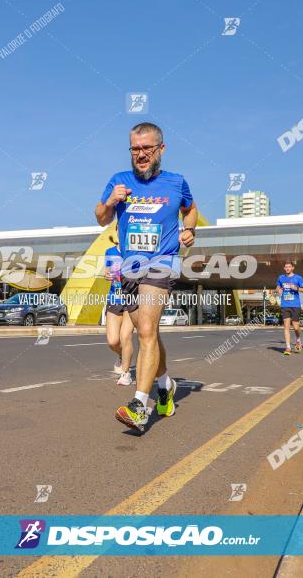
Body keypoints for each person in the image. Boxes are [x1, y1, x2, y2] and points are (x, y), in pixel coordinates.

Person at [95, 122, 199, 433]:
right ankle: (166, 384)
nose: (141, 154)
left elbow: (191, 210)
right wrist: (111, 201)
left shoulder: (176, 182)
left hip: (161, 264)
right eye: (135, 149)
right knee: (145, 331)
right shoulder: (119, 181)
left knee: (148, 331)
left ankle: (140, 404)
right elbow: (101, 218)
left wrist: (190, 229)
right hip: (130, 268)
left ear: (161, 149)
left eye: (147, 148)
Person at [103, 234, 135, 386]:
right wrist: (107, 275)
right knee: (112, 341)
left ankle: (126, 373)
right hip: (114, 298)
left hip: (131, 299)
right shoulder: (110, 252)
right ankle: (122, 356)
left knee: (125, 336)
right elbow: (107, 272)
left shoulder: (135, 251)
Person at [275, 261, 303, 355]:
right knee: (286, 326)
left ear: (293, 268)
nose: (287, 268)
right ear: (284, 268)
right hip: (285, 305)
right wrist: (279, 290)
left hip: (295, 305)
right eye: (286, 267)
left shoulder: (298, 278)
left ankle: (298, 340)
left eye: (289, 267)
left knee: (296, 327)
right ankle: (288, 347)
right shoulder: (281, 278)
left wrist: (297, 288)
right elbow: (277, 287)